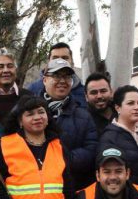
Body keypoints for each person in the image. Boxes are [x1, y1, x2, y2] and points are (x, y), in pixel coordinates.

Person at [39, 58, 98, 190]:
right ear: (45, 80)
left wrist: (63, 160)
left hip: (73, 187)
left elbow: (91, 149)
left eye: (67, 76)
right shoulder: (29, 110)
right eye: (56, 76)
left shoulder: (83, 115)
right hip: (38, 188)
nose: (62, 81)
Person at [27, 42, 87, 108]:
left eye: (65, 58)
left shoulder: (84, 92)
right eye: (55, 58)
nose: (60, 61)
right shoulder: (33, 89)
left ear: (72, 62)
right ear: (48, 61)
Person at [0, 47, 33, 122]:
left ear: (16, 71)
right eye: (0, 67)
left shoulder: (29, 97)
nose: (6, 70)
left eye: (10, 66)